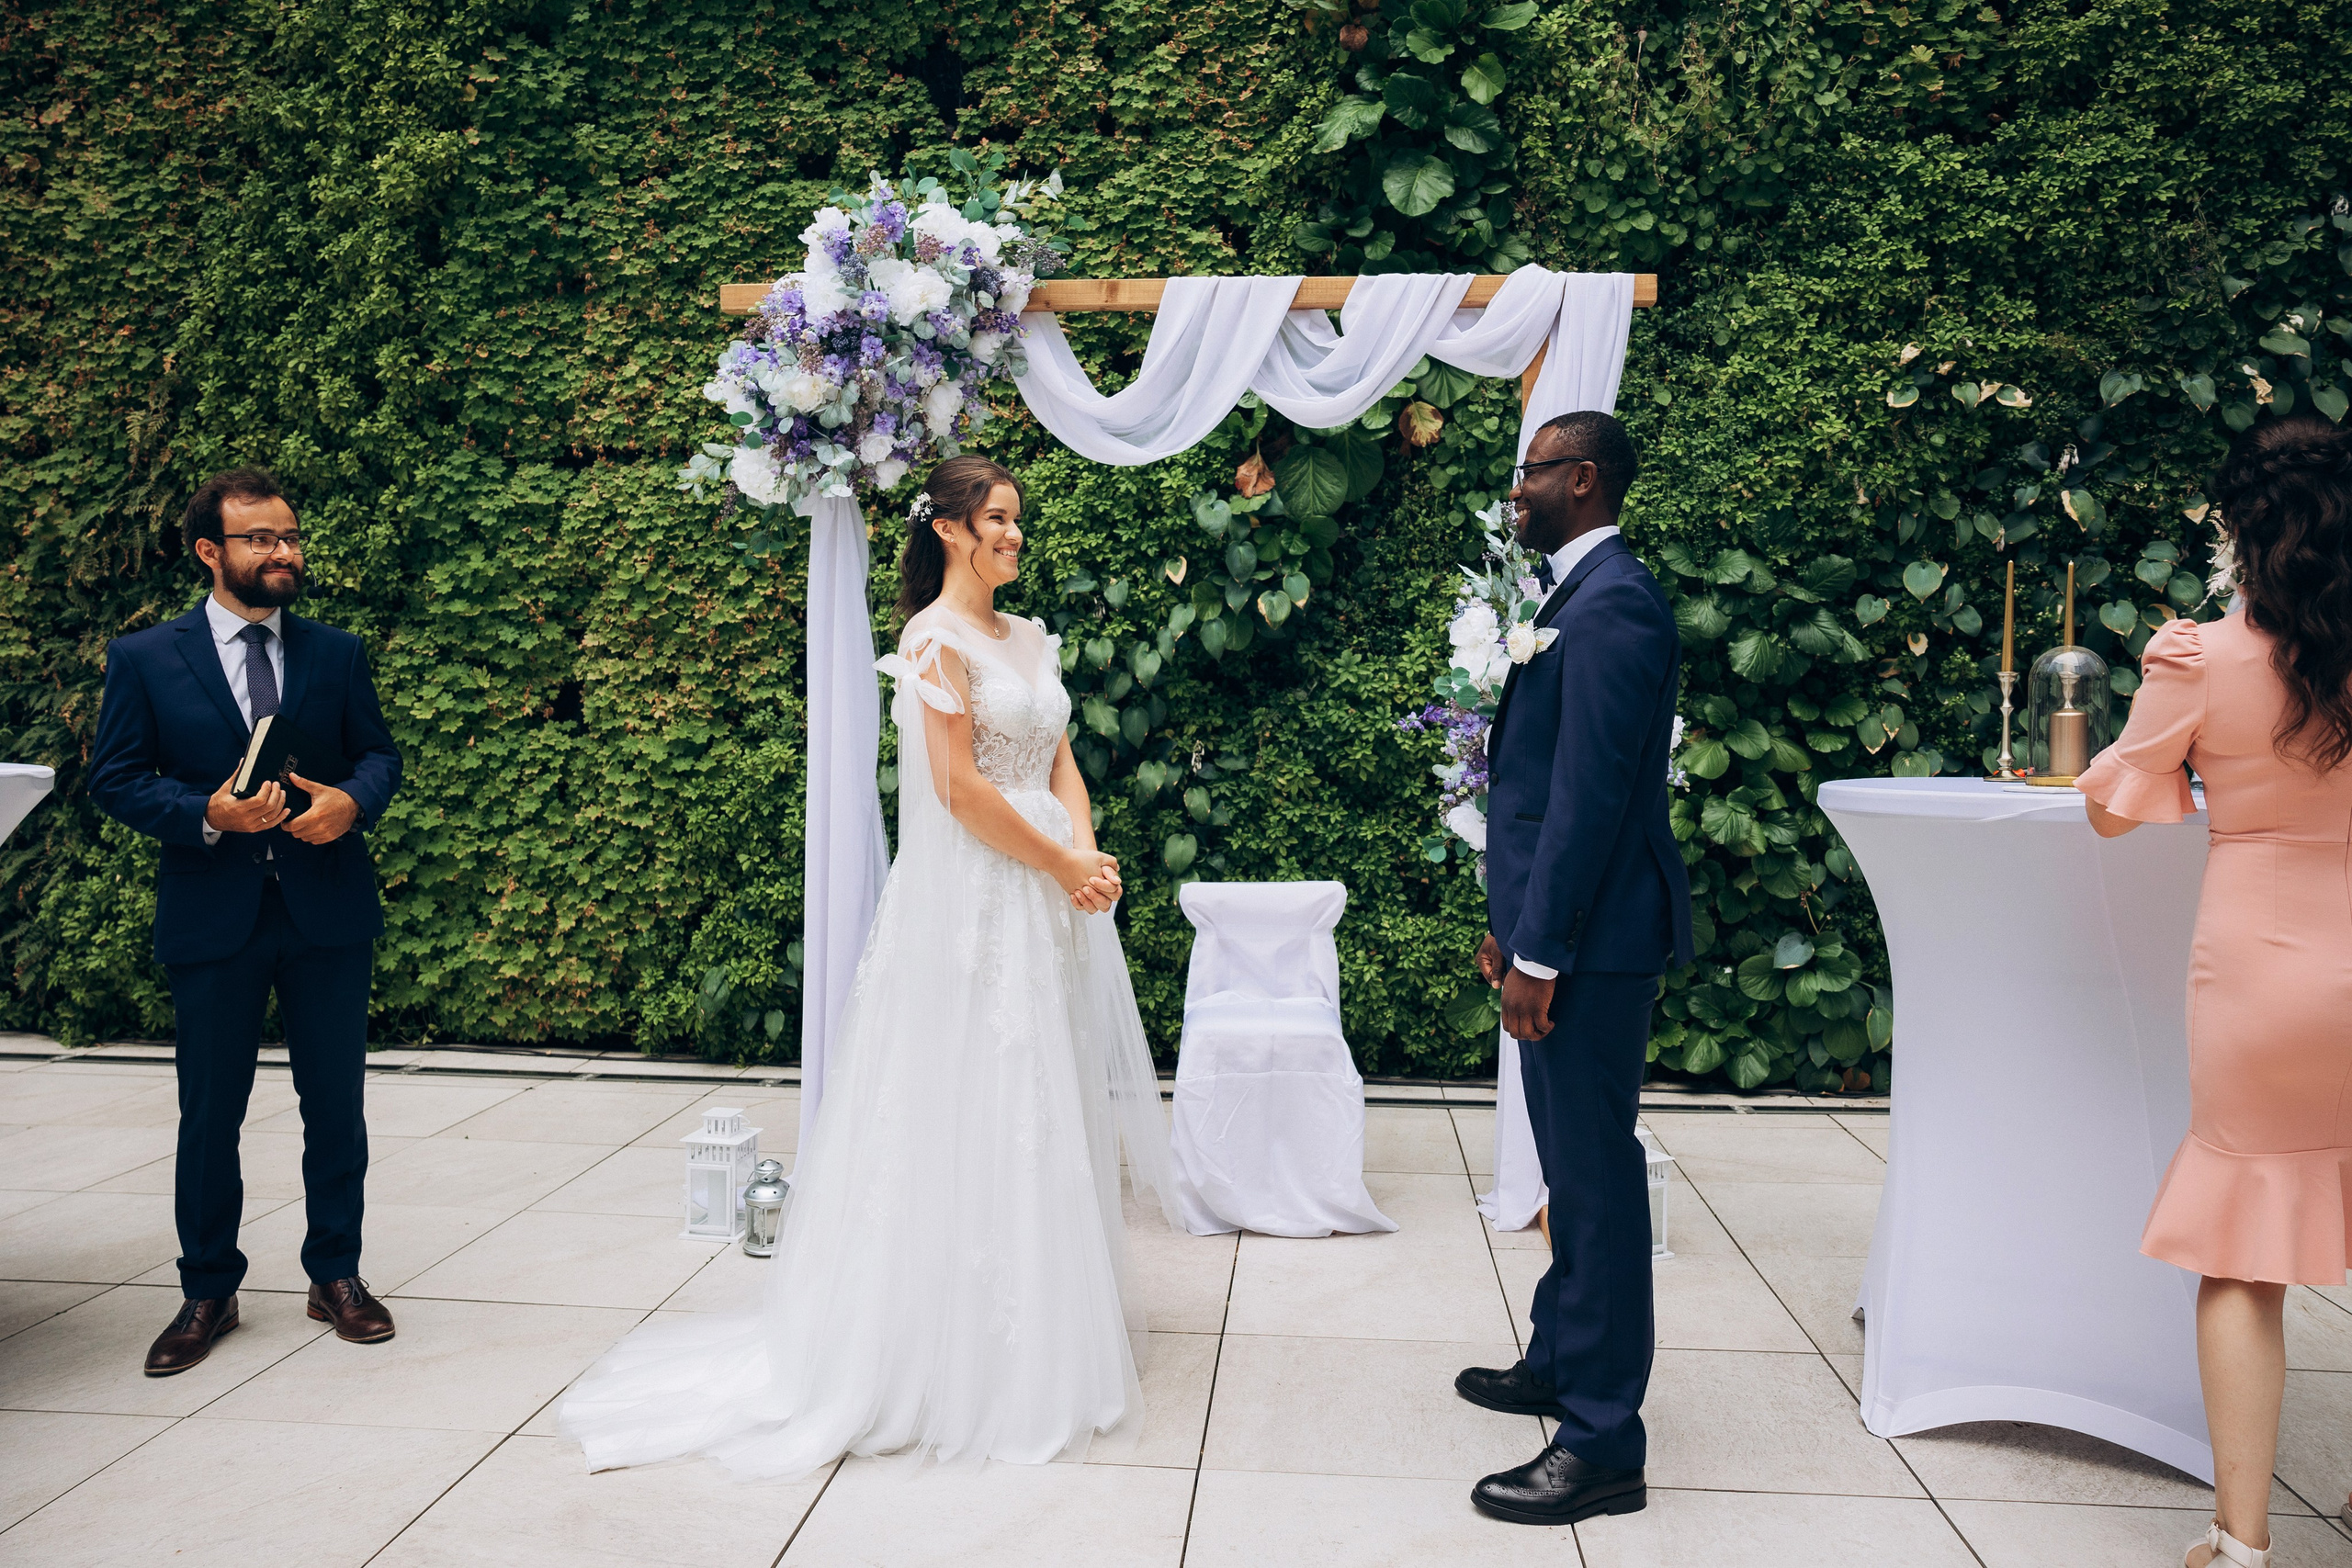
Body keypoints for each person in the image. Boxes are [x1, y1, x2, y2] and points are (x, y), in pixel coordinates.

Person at [560, 456, 1173, 1477]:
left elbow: (1057, 752)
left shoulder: (1027, 637)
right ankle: (943, 1352)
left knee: (1038, 1098)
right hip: (979, 896)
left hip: (1047, 895)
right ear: (948, 530)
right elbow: (959, 789)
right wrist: (1061, 857)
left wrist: (1086, 856)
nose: (1015, 535)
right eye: (999, 520)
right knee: (969, 1094)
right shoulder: (930, 642)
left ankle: (1042, 1331)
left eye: (1018, 520)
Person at [2075, 414, 2352, 1568]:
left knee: (2244, 1257)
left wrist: (2163, 729)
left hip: (2260, 975)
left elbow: (2109, 805)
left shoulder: (2201, 656)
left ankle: (2241, 1546)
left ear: (2238, 522)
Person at [86, 467, 404, 1374]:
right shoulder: (146, 658)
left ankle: (335, 1275)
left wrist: (351, 801)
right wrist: (203, 813)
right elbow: (115, 779)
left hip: (327, 911)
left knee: (335, 1109)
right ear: (209, 551)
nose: (283, 552)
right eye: (261, 538)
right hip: (212, 910)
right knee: (209, 1114)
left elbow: (378, 754)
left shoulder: (336, 653)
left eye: (290, 536)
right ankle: (207, 1291)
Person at [1452, 412, 1693, 1526]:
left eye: (1533, 469)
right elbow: (1541, 789)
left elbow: (1593, 801)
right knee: (1566, 1166)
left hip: (1589, 949)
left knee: (1593, 1188)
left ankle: (1602, 1442)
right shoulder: (1570, 595)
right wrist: (1514, 923)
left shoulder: (1615, 605)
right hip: (1560, 931)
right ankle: (1560, 1355)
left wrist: (1542, 951)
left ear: (1582, 479)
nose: (1518, 485)